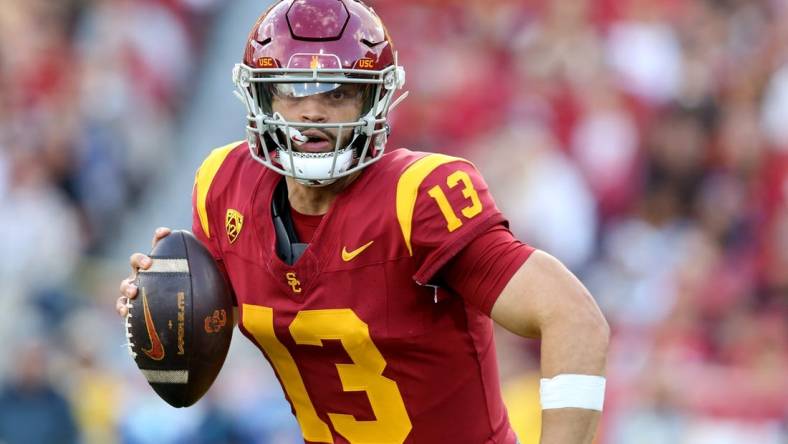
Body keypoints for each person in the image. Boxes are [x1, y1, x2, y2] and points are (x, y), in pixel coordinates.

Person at [117, 1, 609, 442]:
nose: (312, 111)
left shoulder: (417, 199)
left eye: (338, 93)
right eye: (293, 89)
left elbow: (574, 318)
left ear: (373, 102)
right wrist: (160, 301)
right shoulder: (223, 186)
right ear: (261, 99)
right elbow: (203, 323)